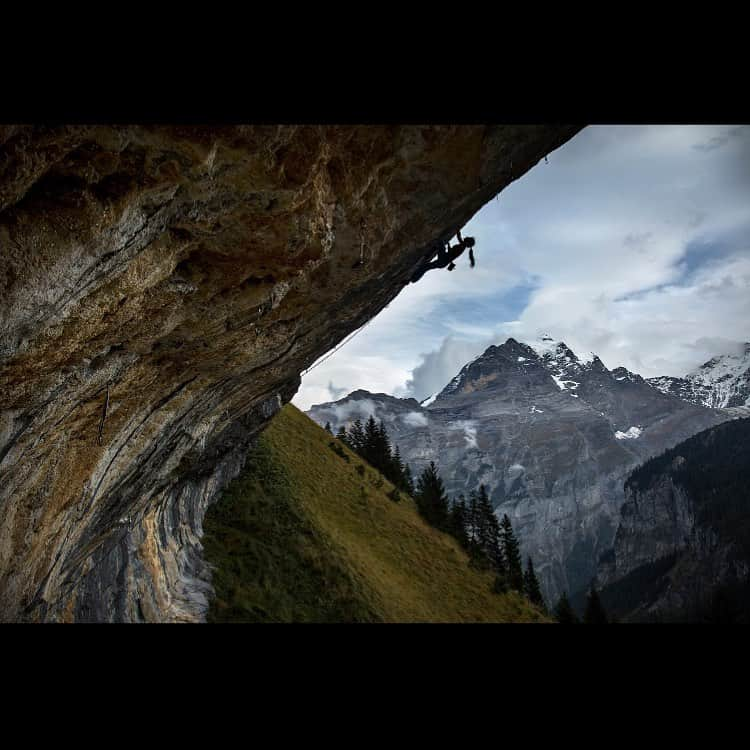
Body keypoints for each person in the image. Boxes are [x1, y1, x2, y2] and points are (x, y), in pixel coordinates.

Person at [410, 231, 477, 283]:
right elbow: (458, 241)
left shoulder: (462, 246)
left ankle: (414, 278)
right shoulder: (462, 246)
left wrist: (457, 230)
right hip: (443, 261)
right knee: (427, 267)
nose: (466, 237)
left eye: (468, 238)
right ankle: (413, 279)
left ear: (467, 242)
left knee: (440, 243)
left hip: (443, 259)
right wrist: (449, 245)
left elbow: (453, 249)